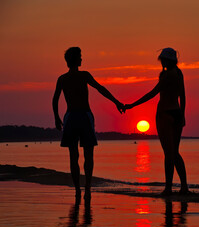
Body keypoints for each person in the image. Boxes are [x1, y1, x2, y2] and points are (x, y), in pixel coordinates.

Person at [52, 47, 124, 200]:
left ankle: (79, 189)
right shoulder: (83, 75)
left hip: (70, 117)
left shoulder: (62, 78)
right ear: (75, 60)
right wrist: (116, 102)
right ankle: (87, 188)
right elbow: (100, 89)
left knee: (74, 156)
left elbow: (55, 99)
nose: (82, 59)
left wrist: (57, 117)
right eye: (80, 57)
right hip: (83, 116)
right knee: (88, 155)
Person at [124, 48, 189, 195]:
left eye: (164, 60)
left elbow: (152, 93)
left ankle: (168, 188)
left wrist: (131, 105)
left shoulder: (167, 75)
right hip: (177, 113)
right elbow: (183, 96)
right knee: (175, 153)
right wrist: (183, 115)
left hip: (165, 114)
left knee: (169, 153)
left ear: (168, 61)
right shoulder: (179, 74)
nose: (162, 62)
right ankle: (184, 186)